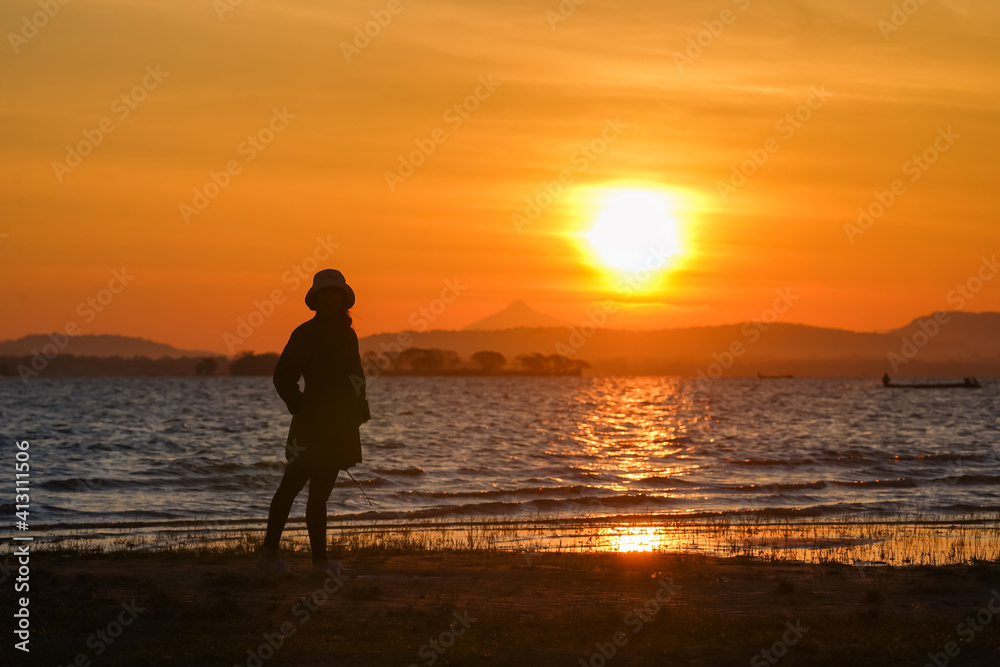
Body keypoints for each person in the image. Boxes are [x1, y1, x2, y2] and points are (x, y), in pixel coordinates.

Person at [257, 269, 372, 577]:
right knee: (289, 488)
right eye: (325, 293)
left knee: (320, 496)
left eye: (336, 293)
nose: (331, 297)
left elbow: (357, 377)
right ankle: (269, 557)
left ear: (344, 299)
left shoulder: (348, 335)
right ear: (316, 299)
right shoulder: (305, 333)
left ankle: (319, 564)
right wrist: (300, 407)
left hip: (340, 427)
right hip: (310, 426)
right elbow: (283, 376)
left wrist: (360, 409)